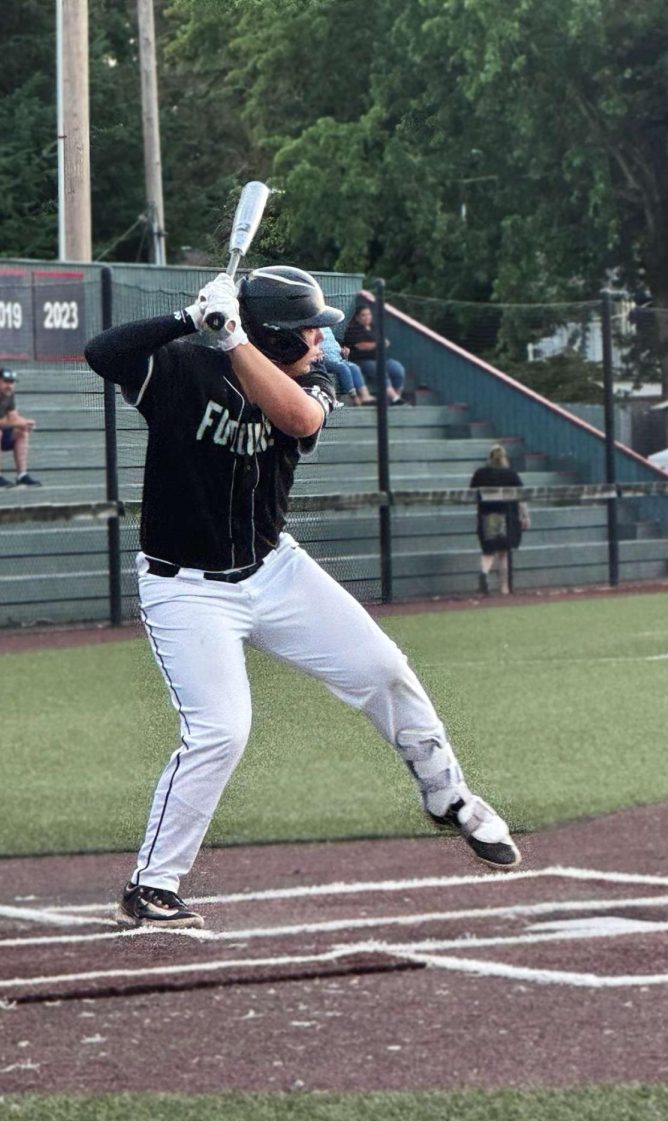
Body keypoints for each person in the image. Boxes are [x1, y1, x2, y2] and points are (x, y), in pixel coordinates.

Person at [84, 265, 521, 931]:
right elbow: (102, 352)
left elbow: (296, 417)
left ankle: (448, 796)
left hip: (273, 568)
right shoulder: (180, 371)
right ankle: (152, 886)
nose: (323, 341)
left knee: (383, 669)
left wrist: (232, 338)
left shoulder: (313, 379)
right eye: (311, 330)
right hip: (185, 588)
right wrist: (188, 320)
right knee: (221, 731)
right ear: (281, 335)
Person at [470, 443, 530, 596]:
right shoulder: (510, 474)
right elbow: (521, 497)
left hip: (487, 515)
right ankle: (504, 588)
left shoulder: (480, 473)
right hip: (506, 515)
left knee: (488, 550)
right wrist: (525, 515)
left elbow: (473, 495)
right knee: (503, 552)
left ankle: (484, 573)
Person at [342, 303, 408, 404]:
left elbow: (385, 342)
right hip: (363, 361)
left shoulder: (374, 328)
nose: (367, 317)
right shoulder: (353, 329)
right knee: (379, 369)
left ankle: (394, 399)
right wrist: (379, 343)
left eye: (369, 314)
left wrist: (379, 343)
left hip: (381, 359)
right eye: (363, 315)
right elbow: (361, 346)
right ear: (357, 317)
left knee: (398, 369)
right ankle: (395, 398)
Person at [318, 326, 371, 406]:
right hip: (325, 359)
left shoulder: (328, 328)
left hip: (337, 357)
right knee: (343, 368)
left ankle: (365, 396)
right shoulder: (314, 329)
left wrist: (343, 351)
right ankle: (353, 397)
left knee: (354, 367)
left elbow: (333, 345)